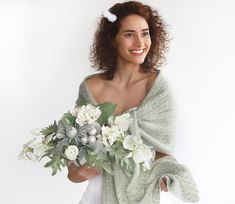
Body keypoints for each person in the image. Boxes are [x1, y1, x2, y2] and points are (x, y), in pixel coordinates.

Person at [68, 1, 171, 203]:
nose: (140, 43)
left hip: (140, 196)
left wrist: (166, 174)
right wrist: (77, 172)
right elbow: (74, 162)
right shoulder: (91, 87)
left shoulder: (158, 88)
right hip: (96, 196)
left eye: (145, 33)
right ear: (112, 40)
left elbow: (163, 152)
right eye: (129, 34)